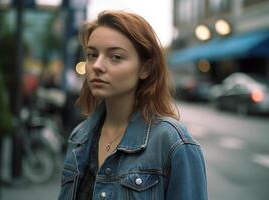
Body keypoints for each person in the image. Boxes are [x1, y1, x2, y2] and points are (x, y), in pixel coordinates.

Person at [58, 10, 208, 200]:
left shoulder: (173, 143)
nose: (97, 65)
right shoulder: (79, 137)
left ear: (145, 68)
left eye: (116, 57)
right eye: (92, 55)